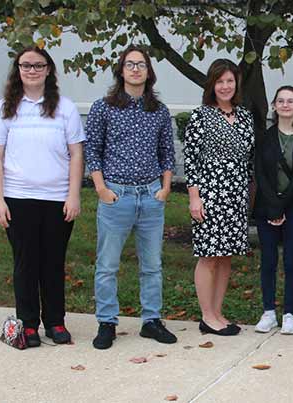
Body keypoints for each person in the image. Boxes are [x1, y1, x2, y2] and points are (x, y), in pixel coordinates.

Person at [0, 46, 85, 347]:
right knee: (26, 263)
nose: (31, 70)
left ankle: (55, 322)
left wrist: (74, 195)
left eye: (38, 65)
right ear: (18, 70)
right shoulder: (6, 109)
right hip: (18, 198)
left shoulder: (64, 108)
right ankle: (28, 324)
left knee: (53, 263)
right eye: (25, 65)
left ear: (49, 70)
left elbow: (76, 155)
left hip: (57, 199)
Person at [85, 45, 177, 349]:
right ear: (121, 70)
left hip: (152, 196)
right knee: (108, 264)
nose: (135, 69)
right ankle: (107, 323)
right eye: (129, 64)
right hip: (116, 196)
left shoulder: (158, 111)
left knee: (152, 265)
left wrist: (164, 188)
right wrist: (101, 189)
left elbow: (167, 153)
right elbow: (92, 151)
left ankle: (151, 320)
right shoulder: (104, 107)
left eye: (141, 64)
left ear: (149, 71)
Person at [184, 59, 254, 336]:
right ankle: (206, 316)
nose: (225, 86)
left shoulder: (245, 115)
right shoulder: (200, 116)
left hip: (236, 195)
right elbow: (190, 160)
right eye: (220, 81)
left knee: (226, 256)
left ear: (236, 84)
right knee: (209, 256)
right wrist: (194, 198)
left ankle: (218, 312)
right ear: (212, 85)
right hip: (210, 193)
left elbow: (248, 160)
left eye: (229, 81)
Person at [253, 86, 293, 335]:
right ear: (274, 106)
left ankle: (289, 313)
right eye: (281, 101)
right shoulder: (263, 137)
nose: (286, 105)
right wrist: (273, 206)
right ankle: (268, 312)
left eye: (291, 101)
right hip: (267, 207)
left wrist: (284, 204)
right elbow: (260, 174)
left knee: (291, 260)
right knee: (268, 260)